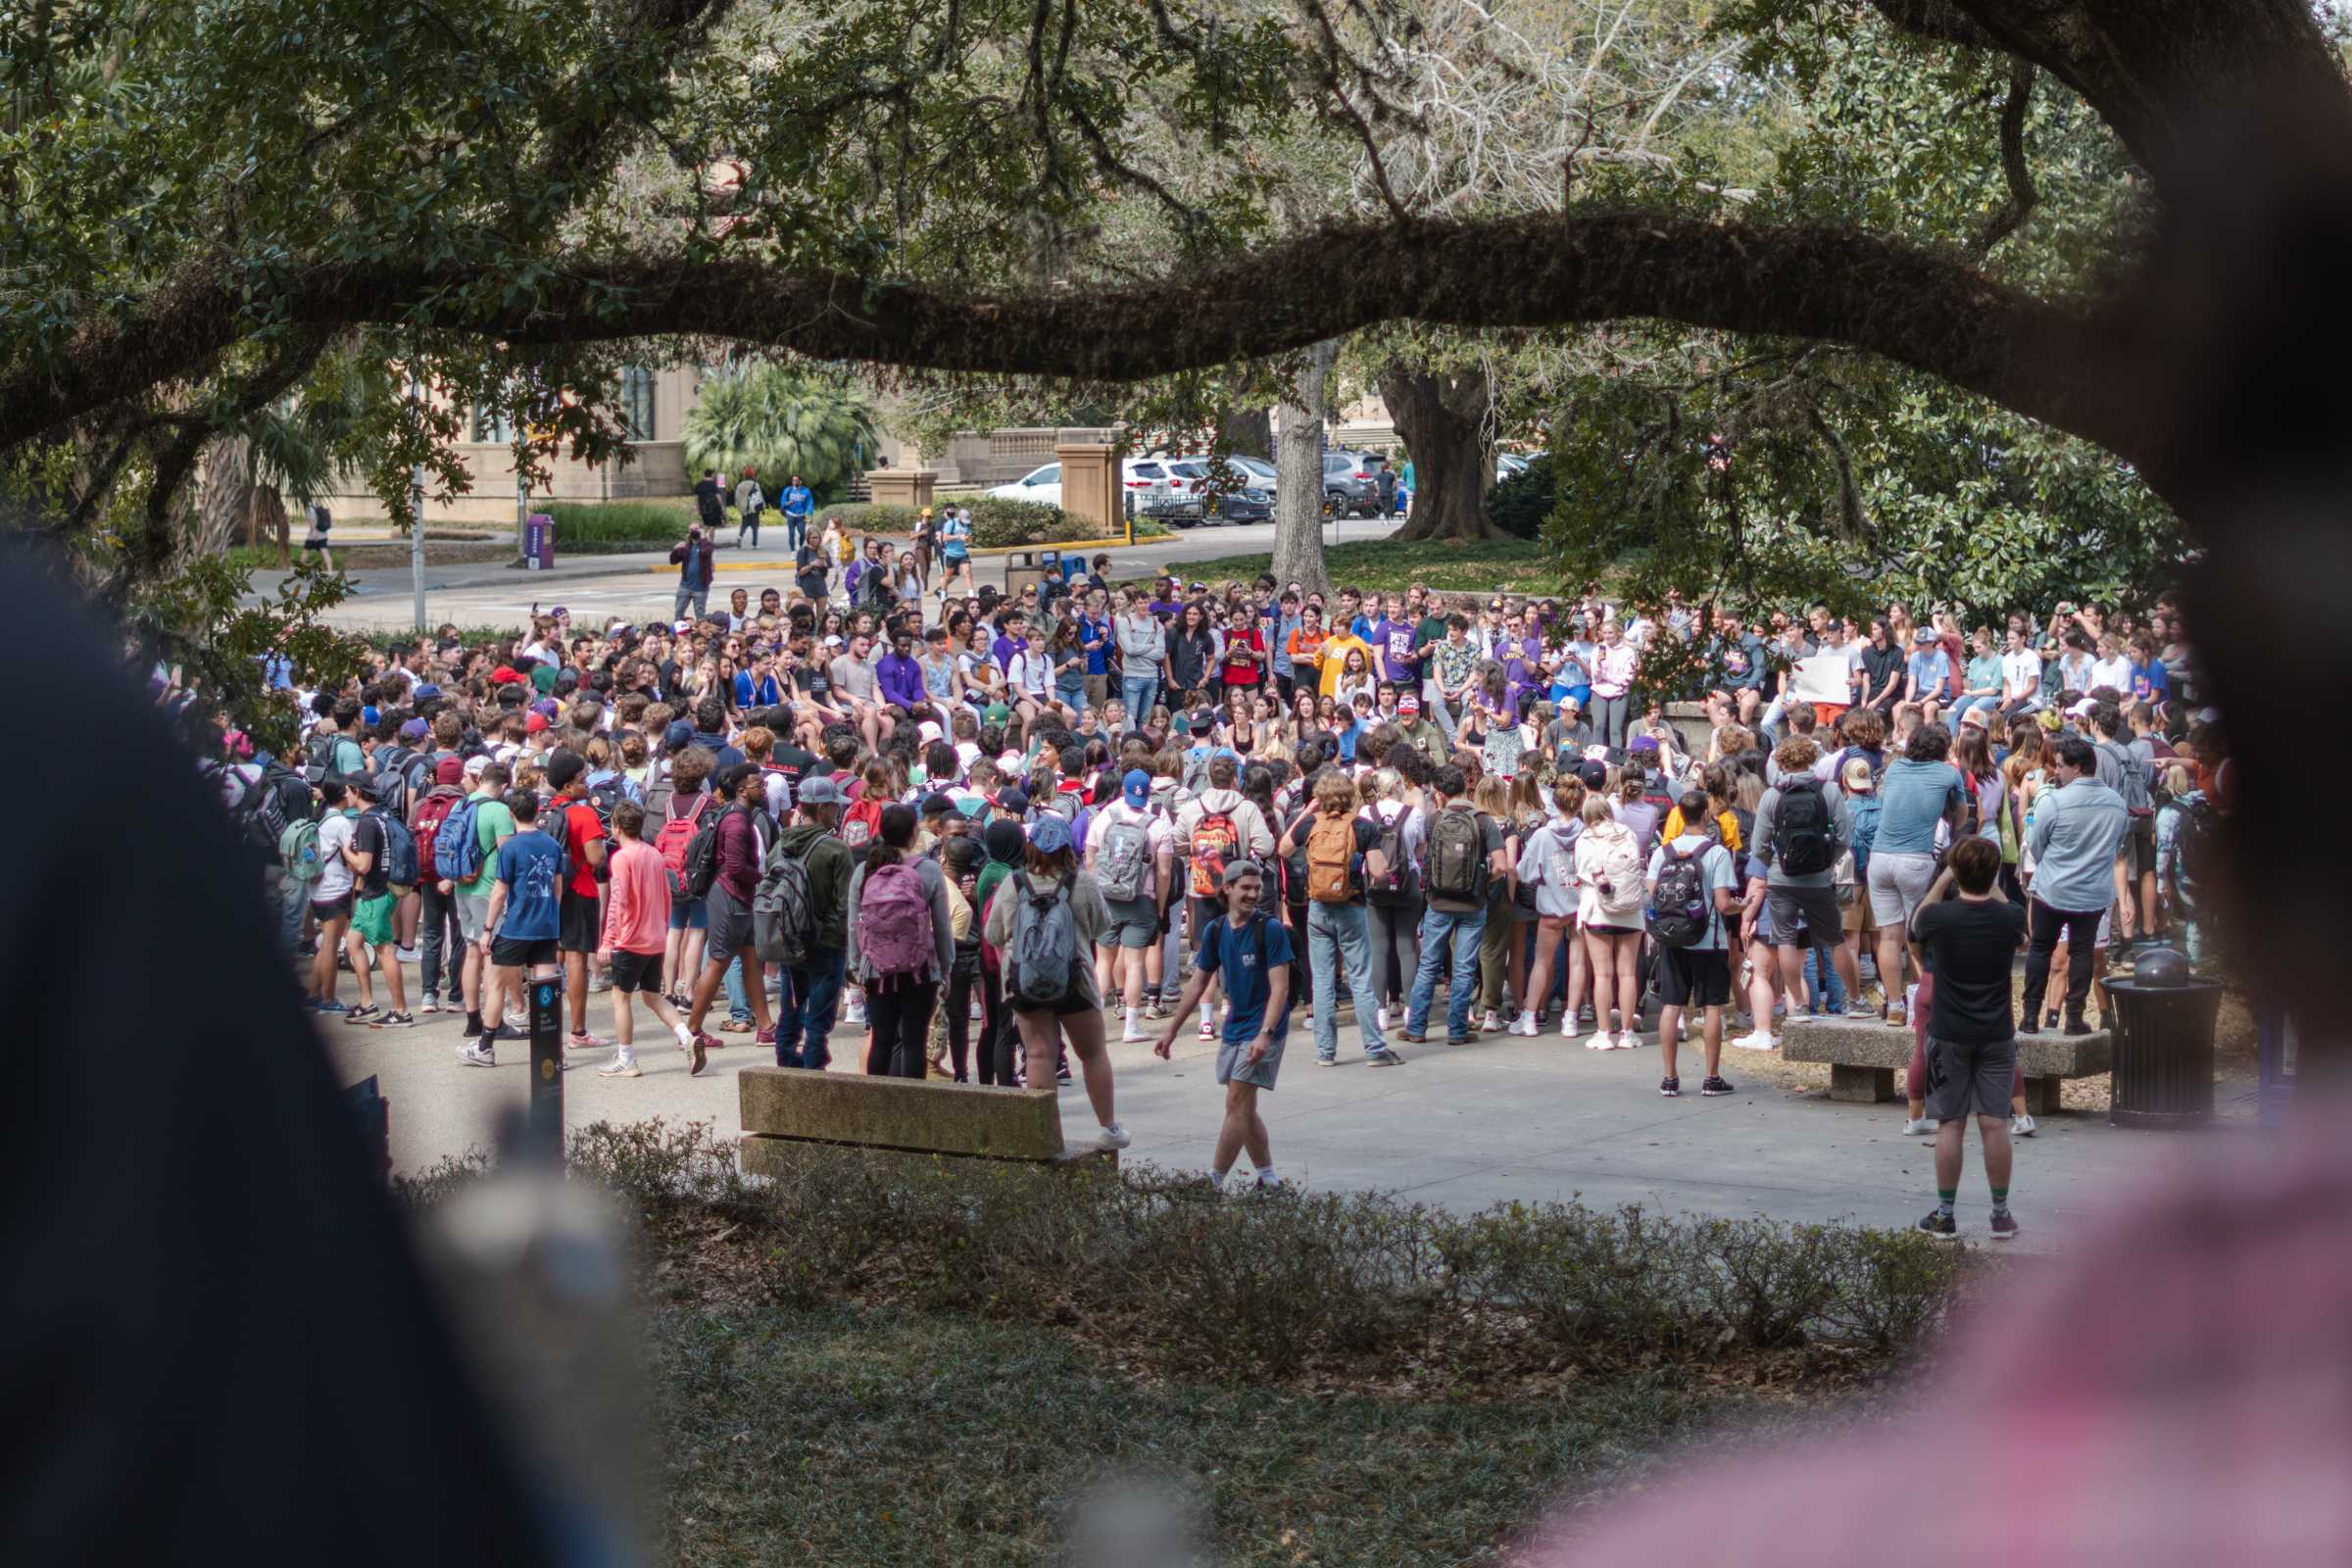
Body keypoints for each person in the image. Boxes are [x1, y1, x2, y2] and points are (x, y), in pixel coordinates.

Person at [984, 815, 1130, 1147]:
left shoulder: (1013, 883)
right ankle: (1109, 1129)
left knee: (1038, 1055)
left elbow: (994, 933)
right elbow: (1101, 927)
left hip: (1026, 982)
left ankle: (1042, 1135)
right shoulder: (1082, 883)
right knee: (1093, 1054)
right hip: (1074, 980)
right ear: (1068, 848)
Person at [1910, 837, 2028, 1241]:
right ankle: (2000, 1214)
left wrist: (1947, 875)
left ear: (1956, 873)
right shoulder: (2010, 918)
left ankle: (1945, 1215)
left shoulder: (1939, 918)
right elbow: (2014, 921)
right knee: (1995, 1124)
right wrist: (1983, 877)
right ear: (1995, 874)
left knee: (1950, 1124)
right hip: (1996, 1033)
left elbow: (1916, 923)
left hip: (1948, 1033)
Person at [1154, 859, 1292, 1190]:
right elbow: (1198, 984)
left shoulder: (1269, 929)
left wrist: (1265, 1034)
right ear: (1227, 889)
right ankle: (1270, 1180)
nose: (1253, 894)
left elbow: (1281, 989)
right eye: (1245, 888)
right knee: (1245, 1107)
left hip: (1263, 1029)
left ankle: (1212, 1182)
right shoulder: (1215, 930)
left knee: (1236, 1102)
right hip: (1235, 1027)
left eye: (1257, 889)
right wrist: (1172, 1030)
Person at [1740, 736, 1863, 1050]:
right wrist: (1826, 862)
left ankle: (1798, 1004)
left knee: (1786, 940)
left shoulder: (1772, 796)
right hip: (1819, 881)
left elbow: (1758, 847)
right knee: (1835, 939)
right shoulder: (1830, 790)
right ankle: (1855, 998)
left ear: (1781, 761)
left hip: (1782, 881)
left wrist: (1776, 865)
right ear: (1811, 759)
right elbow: (1845, 837)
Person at [1279, 766, 1399, 1066]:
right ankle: (1374, 1048)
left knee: (1321, 981)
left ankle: (1325, 1052)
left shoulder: (1310, 824)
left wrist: (1308, 811)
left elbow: (1282, 848)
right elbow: (1378, 871)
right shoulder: (1362, 827)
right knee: (1360, 979)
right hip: (1352, 907)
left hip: (1318, 908)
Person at [2020, 734, 2129, 1035]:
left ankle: (2030, 1015)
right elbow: (2116, 846)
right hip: (2092, 892)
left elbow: (2037, 846)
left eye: (2059, 766)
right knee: (2082, 952)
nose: (2055, 771)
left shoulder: (2054, 801)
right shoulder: (2117, 804)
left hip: (2053, 887)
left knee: (2040, 949)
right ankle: (2074, 1017)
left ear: (2077, 768)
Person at [843, 802, 955, 1077]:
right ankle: (911, 1111)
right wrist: (945, 968)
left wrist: (857, 968)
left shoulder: (865, 870)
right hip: (919, 970)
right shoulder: (928, 870)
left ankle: (878, 1107)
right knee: (914, 1041)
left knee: (881, 1039)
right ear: (913, 833)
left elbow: (853, 925)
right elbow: (941, 925)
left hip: (876, 970)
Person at [1400, 763, 1507, 1050]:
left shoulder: (1434, 820)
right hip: (1473, 904)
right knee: (1464, 967)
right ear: (1466, 787)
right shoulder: (1485, 822)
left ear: (1440, 793)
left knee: (1428, 964)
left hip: (1438, 902)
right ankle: (1457, 1030)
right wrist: (1483, 881)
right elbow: (1502, 865)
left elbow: (1423, 858)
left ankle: (1416, 1027)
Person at [592, 800, 700, 1076]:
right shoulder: (653, 854)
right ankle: (686, 1036)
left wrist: (608, 939)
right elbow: (666, 895)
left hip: (630, 939)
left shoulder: (622, 858)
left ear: (616, 827)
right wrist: (661, 928)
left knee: (621, 998)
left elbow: (618, 901)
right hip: (654, 938)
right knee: (653, 996)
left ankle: (626, 1057)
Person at [1868, 721, 1965, 1026]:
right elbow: (1960, 815)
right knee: (1920, 936)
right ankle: (1929, 1005)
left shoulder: (1895, 769)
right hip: (1916, 859)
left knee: (1889, 935)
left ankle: (1895, 1006)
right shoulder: (1949, 773)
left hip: (1880, 857)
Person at [1647, 787, 1741, 1097]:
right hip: (1709, 941)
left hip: (1673, 940)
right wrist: (1744, 905)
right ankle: (1711, 1077)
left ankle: (1669, 1076)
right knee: (1713, 1007)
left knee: (1671, 1006)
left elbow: (1652, 894)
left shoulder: (1663, 852)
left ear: (1679, 815)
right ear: (1706, 814)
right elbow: (1724, 903)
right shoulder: (1716, 853)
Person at [466, 789, 567, 1069]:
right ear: (537, 811)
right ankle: (552, 1050)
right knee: (546, 988)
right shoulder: (552, 845)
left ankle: (485, 1046)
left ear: (511, 814)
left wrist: (487, 929)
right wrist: (551, 915)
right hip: (546, 926)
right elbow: (557, 889)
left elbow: (499, 893)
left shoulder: (509, 848)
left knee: (496, 984)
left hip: (516, 927)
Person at [680, 764, 776, 1060]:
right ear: (742, 790)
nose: (763, 788)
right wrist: (764, 879)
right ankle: (692, 1030)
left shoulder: (740, 816)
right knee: (718, 963)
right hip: (730, 898)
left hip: (737, 899)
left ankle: (766, 1026)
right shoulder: (736, 822)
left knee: (751, 960)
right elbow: (735, 867)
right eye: (757, 784)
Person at [1086, 767, 1176, 1044]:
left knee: (1103, 962)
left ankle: (1095, 1027)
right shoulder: (1158, 824)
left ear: (1123, 790)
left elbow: (1090, 860)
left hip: (1107, 900)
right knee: (1135, 964)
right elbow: (1163, 873)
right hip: (1140, 901)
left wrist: (1096, 896)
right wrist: (1160, 907)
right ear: (1149, 793)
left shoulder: (1104, 818)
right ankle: (1132, 1027)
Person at [770, 774, 854, 1068]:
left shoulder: (780, 846)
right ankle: (813, 1074)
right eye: (834, 806)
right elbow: (846, 906)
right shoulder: (836, 849)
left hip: (789, 940)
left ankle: (785, 1070)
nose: (838, 811)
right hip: (826, 942)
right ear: (821, 809)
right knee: (818, 1020)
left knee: (789, 1011)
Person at [543, 751, 610, 1051]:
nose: (587, 783)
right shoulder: (583, 814)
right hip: (579, 892)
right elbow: (595, 857)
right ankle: (579, 1031)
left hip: (548, 893)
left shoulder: (544, 811)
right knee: (576, 961)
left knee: (551, 958)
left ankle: (546, 1022)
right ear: (568, 786)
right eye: (582, 779)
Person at [1573, 792, 1645, 1051]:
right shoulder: (1628, 834)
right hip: (1629, 911)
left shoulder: (1585, 839)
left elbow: (1582, 873)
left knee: (1602, 974)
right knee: (1627, 973)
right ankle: (1627, 1033)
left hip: (1597, 909)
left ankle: (1604, 1032)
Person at [341, 777, 413, 1028]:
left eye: (347, 791)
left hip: (377, 893)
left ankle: (401, 1011)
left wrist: (345, 851)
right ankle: (367, 1003)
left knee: (385, 950)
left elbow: (363, 864)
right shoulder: (382, 816)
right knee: (353, 942)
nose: (345, 795)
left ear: (357, 791)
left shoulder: (367, 823)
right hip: (378, 891)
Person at [668, 524, 715, 621]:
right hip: (685, 586)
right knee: (679, 610)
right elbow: (673, 561)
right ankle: (678, 631)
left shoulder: (707, 545)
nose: (694, 531)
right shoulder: (686, 547)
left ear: (701, 530)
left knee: (700, 614)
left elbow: (705, 552)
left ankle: (700, 634)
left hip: (701, 587)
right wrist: (675, 549)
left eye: (696, 529)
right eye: (691, 530)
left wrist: (703, 538)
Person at [778, 472, 814, 551]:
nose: (794, 482)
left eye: (796, 480)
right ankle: (792, 551)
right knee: (791, 534)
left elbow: (810, 504)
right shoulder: (788, 490)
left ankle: (799, 544)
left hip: (801, 516)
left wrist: (810, 515)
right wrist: (787, 503)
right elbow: (782, 501)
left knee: (802, 534)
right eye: (793, 480)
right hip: (790, 515)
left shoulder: (806, 491)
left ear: (800, 481)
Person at [733, 467, 765, 548]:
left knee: (744, 524)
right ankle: (755, 543)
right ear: (752, 475)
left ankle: (739, 537)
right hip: (754, 508)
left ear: (745, 475)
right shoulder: (755, 484)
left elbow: (737, 498)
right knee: (755, 526)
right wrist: (763, 507)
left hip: (744, 509)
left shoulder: (740, 485)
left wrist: (739, 507)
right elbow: (759, 496)